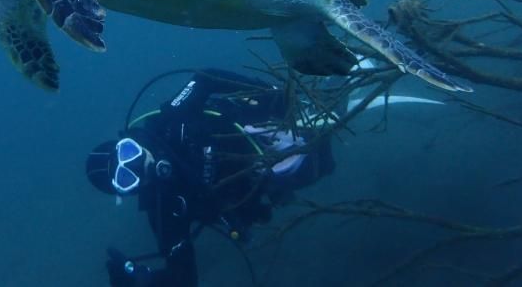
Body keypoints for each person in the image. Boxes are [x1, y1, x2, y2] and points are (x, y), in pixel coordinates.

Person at [85, 68, 336, 287]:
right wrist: (144, 280)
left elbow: (205, 78)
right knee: (321, 163)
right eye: (126, 177)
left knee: (321, 113)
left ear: (128, 141)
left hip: (268, 123)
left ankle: (333, 86)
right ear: (128, 191)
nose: (139, 165)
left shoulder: (171, 119)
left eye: (128, 153)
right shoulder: (166, 211)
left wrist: (272, 95)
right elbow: (184, 280)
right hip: (271, 176)